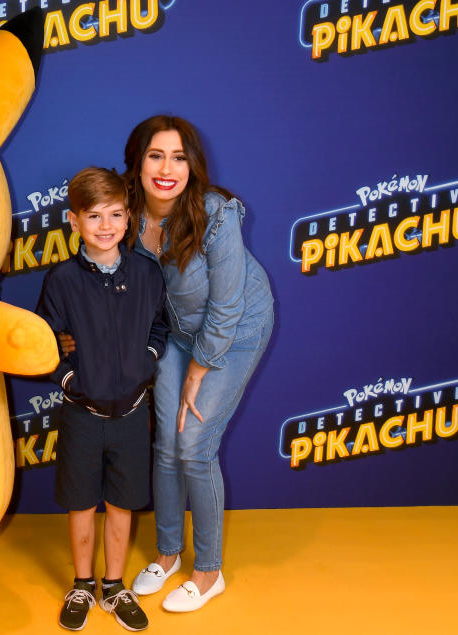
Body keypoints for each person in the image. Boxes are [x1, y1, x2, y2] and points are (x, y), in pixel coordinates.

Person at [126, 115, 273, 612]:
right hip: (176, 334)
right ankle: (168, 555)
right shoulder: (124, 209)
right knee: (165, 442)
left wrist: (199, 367)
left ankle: (209, 572)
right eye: (155, 155)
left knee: (193, 445)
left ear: (193, 165)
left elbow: (227, 305)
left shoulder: (215, 214)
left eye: (179, 157)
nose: (167, 168)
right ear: (138, 161)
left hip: (233, 332)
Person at [36, 167, 168, 631]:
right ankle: (83, 583)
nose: (106, 225)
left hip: (132, 413)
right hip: (82, 416)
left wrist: (147, 359)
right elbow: (44, 341)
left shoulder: (147, 274)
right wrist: (70, 379)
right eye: (94, 216)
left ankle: (114, 586)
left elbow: (159, 325)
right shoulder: (63, 280)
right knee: (80, 504)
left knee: (121, 505)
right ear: (74, 222)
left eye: (115, 214)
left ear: (129, 217)